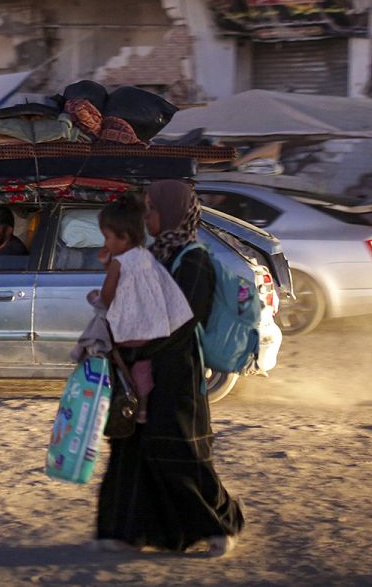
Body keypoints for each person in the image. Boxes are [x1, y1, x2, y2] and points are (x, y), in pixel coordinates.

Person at [95, 179, 244, 557]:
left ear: (173, 213)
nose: (146, 217)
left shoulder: (194, 260)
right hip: (142, 371)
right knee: (131, 449)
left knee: (181, 452)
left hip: (176, 374)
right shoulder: (155, 255)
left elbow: (181, 323)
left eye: (153, 209)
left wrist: (137, 343)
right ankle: (125, 530)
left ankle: (219, 525)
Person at [89, 194, 193, 423]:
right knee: (142, 367)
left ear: (123, 237)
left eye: (106, 238)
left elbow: (108, 296)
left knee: (96, 342)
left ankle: (122, 398)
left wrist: (96, 298)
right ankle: (143, 408)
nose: (105, 244)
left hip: (129, 331)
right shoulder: (145, 256)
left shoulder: (119, 262)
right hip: (152, 330)